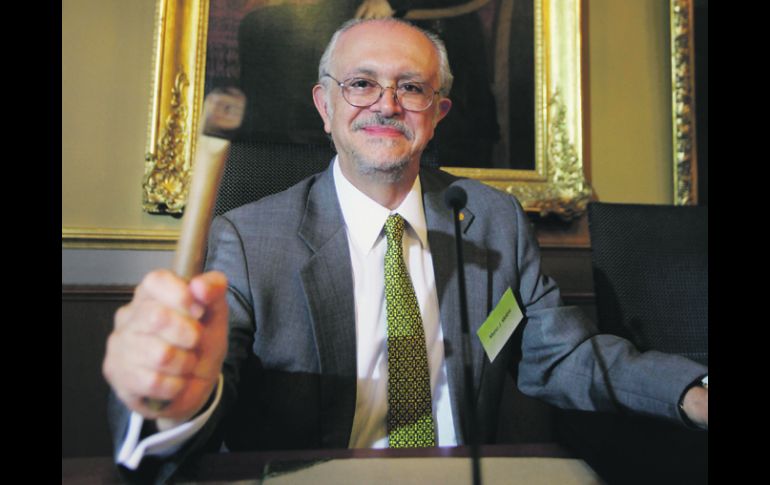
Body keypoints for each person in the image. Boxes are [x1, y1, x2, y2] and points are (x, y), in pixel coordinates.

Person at [103, 18, 708, 483]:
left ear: (437, 114)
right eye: (361, 84)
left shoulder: (492, 220)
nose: (387, 104)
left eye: (411, 87)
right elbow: (197, 381)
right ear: (325, 107)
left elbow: (563, 356)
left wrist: (691, 392)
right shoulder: (248, 238)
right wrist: (173, 399)